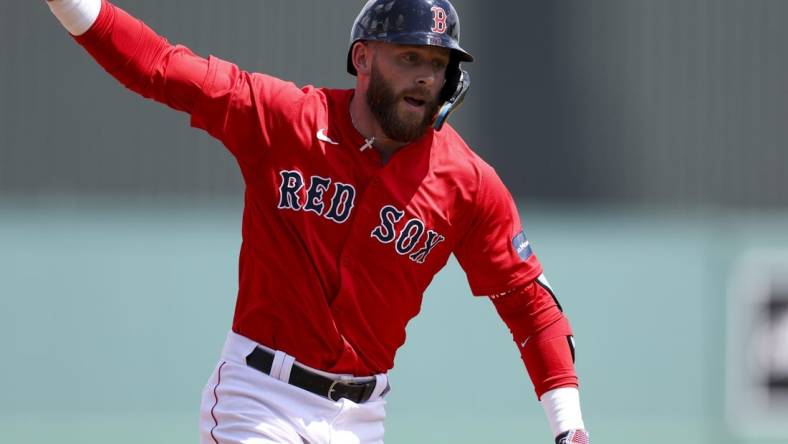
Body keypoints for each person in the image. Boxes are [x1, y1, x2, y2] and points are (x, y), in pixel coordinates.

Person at [45, 0, 590, 443]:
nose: (427, 77)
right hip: (259, 399)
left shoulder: (468, 183)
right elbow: (159, 66)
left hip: (362, 420)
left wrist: (569, 430)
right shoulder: (285, 120)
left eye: (438, 64)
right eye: (409, 57)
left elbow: (530, 307)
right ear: (363, 58)